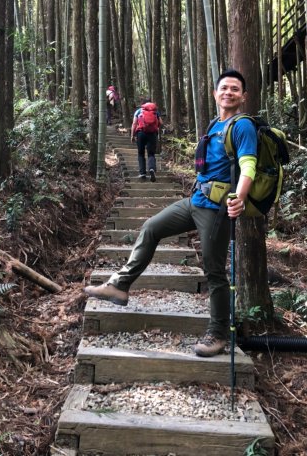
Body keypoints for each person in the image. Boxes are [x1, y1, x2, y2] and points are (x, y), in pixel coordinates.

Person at [84, 70, 257, 357]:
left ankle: (217, 334)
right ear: (215, 94)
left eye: (235, 89)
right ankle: (121, 285)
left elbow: (248, 164)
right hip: (196, 201)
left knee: (214, 272)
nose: (228, 92)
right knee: (151, 227)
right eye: (224, 88)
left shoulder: (242, 126)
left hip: (216, 210)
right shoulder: (216, 123)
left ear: (243, 96)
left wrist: (239, 197)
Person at [130, 98, 163, 182]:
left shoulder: (138, 111)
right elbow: (161, 122)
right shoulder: (155, 111)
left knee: (141, 153)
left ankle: (142, 173)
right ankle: (151, 168)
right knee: (151, 153)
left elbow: (134, 123)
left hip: (141, 133)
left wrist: (132, 135)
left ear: (143, 104)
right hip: (152, 134)